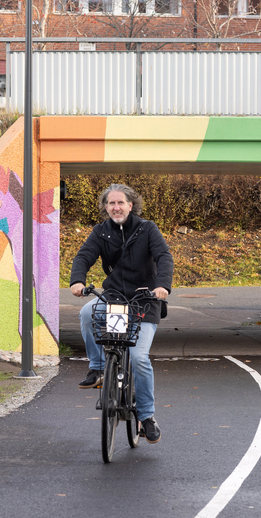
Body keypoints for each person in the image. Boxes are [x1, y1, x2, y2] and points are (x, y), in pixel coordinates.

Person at [69, 183, 173, 444]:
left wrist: (161, 286)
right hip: (115, 298)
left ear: (130, 205)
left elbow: (163, 257)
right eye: (111, 203)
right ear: (106, 207)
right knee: (86, 313)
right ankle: (99, 368)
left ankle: (147, 417)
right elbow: (84, 256)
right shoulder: (101, 232)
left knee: (138, 358)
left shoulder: (147, 229)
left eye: (121, 202)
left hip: (144, 302)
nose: (116, 207)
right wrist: (77, 281)